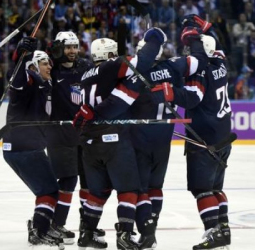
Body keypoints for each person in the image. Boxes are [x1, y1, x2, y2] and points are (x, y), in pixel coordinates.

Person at [74, 29, 166, 250]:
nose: (117, 56)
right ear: (108, 55)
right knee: (129, 189)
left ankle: (87, 234)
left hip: (89, 141)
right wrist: (155, 39)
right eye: (114, 53)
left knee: (98, 192)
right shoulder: (112, 66)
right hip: (113, 138)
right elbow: (140, 63)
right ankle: (124, 235)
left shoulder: (85, 74)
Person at [151, 14, 232, 249]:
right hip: (224, 136)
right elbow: (212, 46)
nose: (189, 56)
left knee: (202, 189)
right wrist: (199, 29)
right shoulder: (220, 62)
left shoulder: (200, 72)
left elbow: (193, 98)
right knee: (216, 188)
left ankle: (213, 233)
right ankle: (223, 231)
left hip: (204, 139)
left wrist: (169, 92)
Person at [130, 26, 210, 249]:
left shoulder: (136, 72)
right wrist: (193, 38)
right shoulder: (175, 65)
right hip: (164, 138)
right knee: (156, 187)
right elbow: (200, 60)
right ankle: (151, 232)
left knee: (141, 189)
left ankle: (147, 234)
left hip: (140, 138)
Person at [2, 37, 63, 248]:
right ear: (33, 67)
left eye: (49, 62)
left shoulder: (45, 85)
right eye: (45, 63)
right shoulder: (29, 79)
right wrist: (21, 55)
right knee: (48, 190)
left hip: (24, 146)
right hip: (23, 147)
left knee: (47, 190)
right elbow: (17, 78)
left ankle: (40, 227)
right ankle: (39, 231)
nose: (49, 66)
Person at [46, 31, 95, 244]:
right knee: (67, 180)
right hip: (60, 134)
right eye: (68, 47)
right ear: (59, 48)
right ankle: (57, 223)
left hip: (84, 132)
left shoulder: (85, 67)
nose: (72, 51)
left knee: (88, 181)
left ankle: (87, 225)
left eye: (75, 47)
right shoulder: (52, 68)